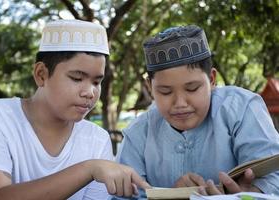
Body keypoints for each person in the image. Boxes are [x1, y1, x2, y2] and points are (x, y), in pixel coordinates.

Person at [0, 19, 150, 200]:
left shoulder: (97, 139)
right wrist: (88, 169)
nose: (90, 92)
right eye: (77, 78)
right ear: (41, 74)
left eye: (96, 82)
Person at [114, 25, 279, 199]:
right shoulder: (138, 132)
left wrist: (254, 193)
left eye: (192, 89)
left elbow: (274, 175)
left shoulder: (241, 108)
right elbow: (123, 196)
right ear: (149, 87)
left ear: (212, 79)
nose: (180, 103)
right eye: (165, 92)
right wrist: (172, 196)